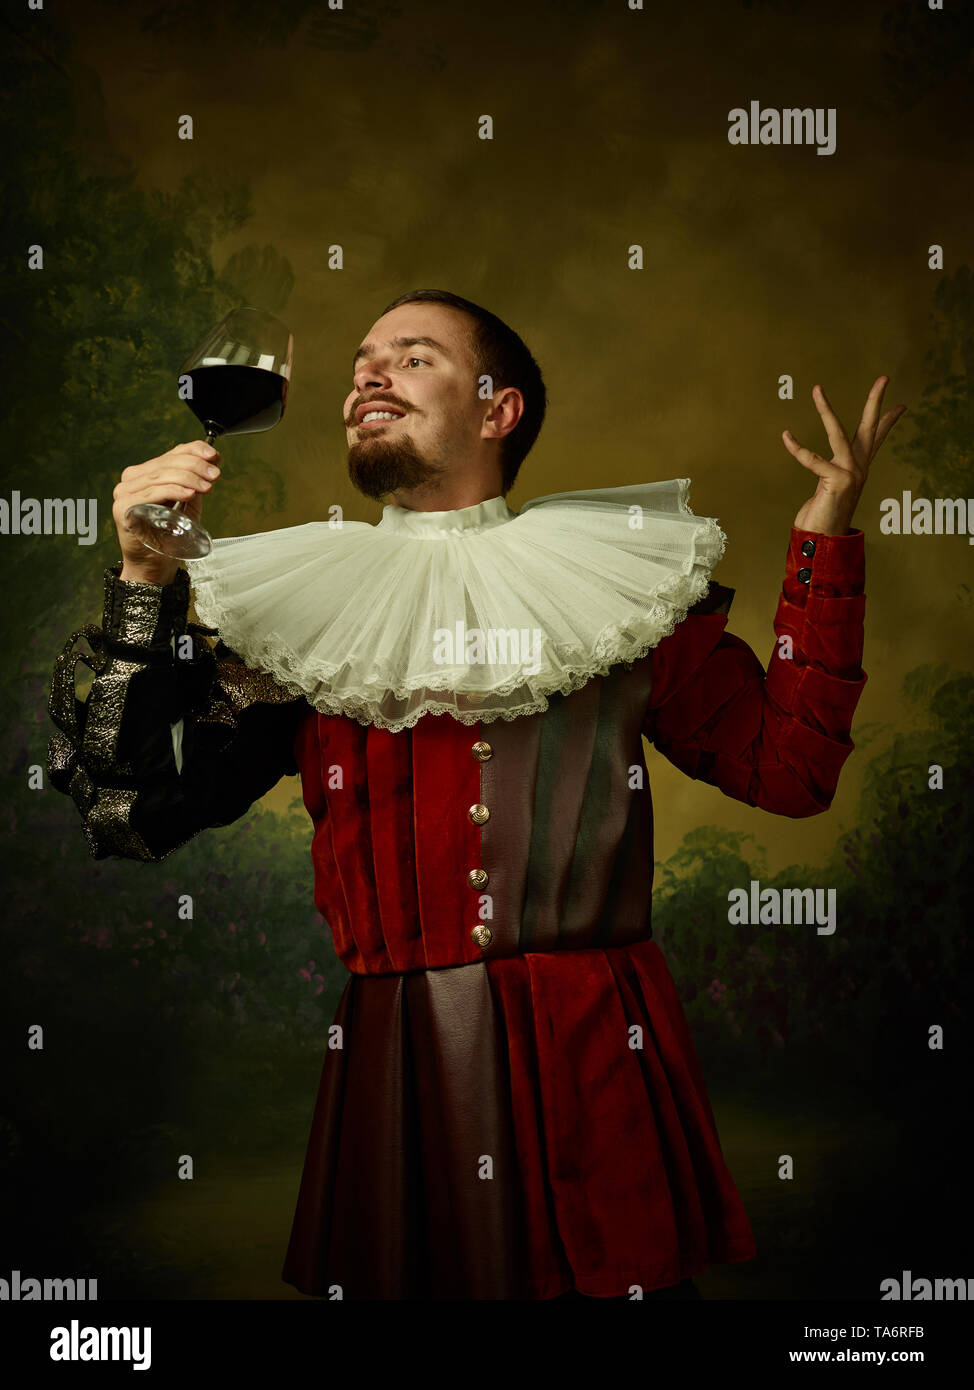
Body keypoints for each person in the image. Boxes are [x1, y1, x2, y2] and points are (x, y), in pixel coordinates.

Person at [45, 289, 905, 1300]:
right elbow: (130, 814)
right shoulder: (291, 619)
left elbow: (790, 772)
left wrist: (822, 538)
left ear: (499, 411)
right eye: (363, 361)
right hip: (400, 1074)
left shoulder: (622, 594)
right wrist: (143, 577)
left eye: (412, 359)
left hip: (602, 1061)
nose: (369, 374)